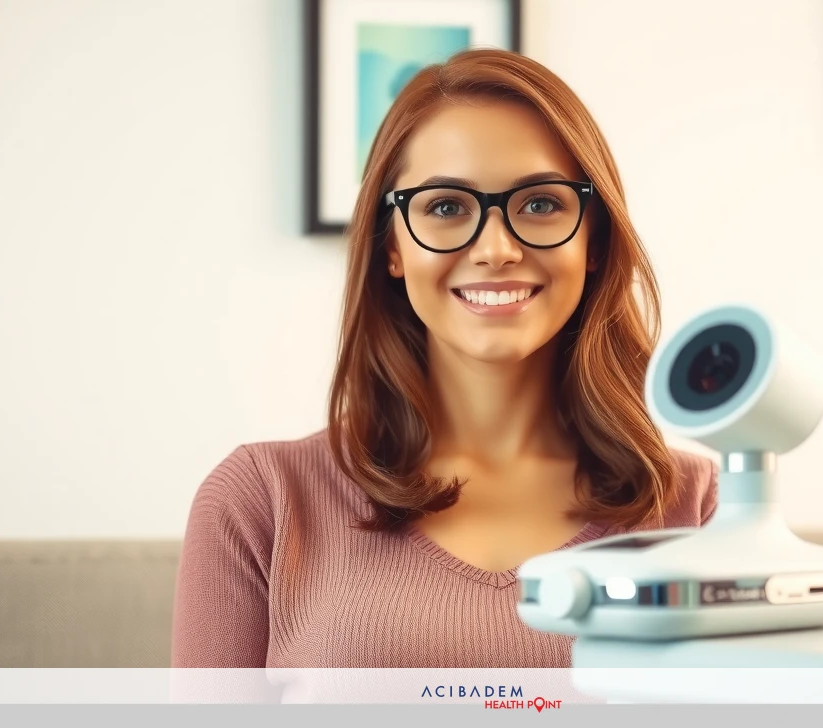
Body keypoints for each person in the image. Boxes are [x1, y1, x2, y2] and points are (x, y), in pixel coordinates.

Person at [171, 48, 718, 670]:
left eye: (540, 203)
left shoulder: (702, 508)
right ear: (392, 247)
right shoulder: (259, 501)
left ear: (593, 238)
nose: (496, 249)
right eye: (445, 207)